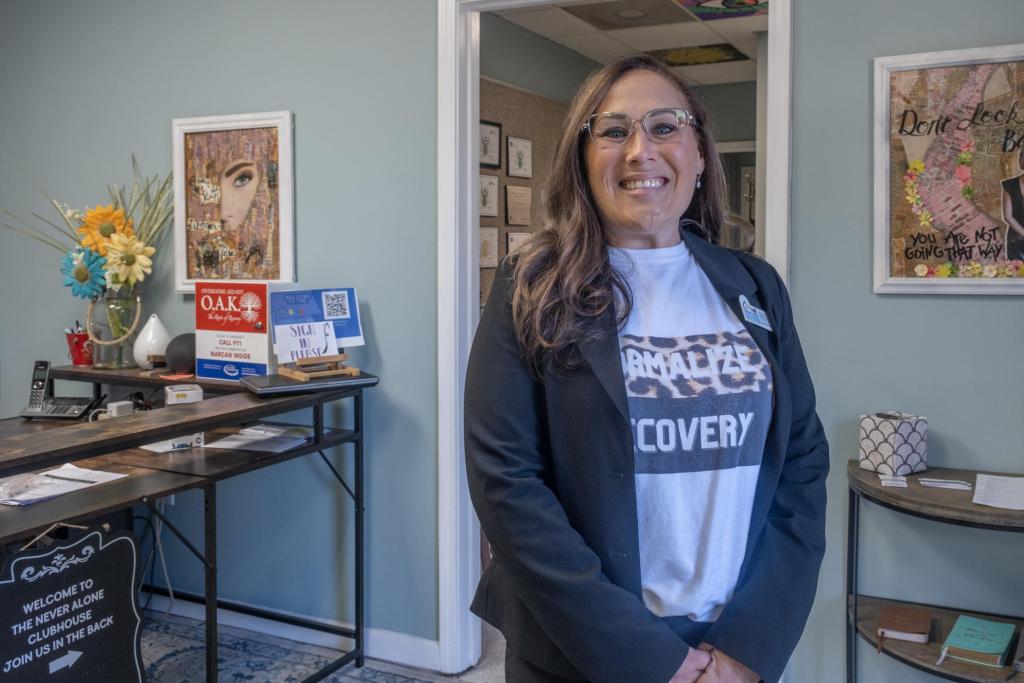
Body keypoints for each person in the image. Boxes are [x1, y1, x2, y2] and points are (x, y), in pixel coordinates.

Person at [464, 54, 829, 683]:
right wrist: (651, 660)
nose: (641, 150)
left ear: (700, 150)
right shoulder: (531, 285)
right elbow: (507, 484)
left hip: (732, 647)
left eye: (665, 126)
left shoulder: (755, 286)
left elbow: (801, 461)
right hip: (586, 647)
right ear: (582, 156)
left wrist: (749, 645)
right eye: (613, 131)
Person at [1001, 146, 1024, 261]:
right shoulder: (1009, 185)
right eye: (1022, 157)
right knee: (1017, 274)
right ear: (1020, 161)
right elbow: (1007, 216)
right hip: (1017, 238)